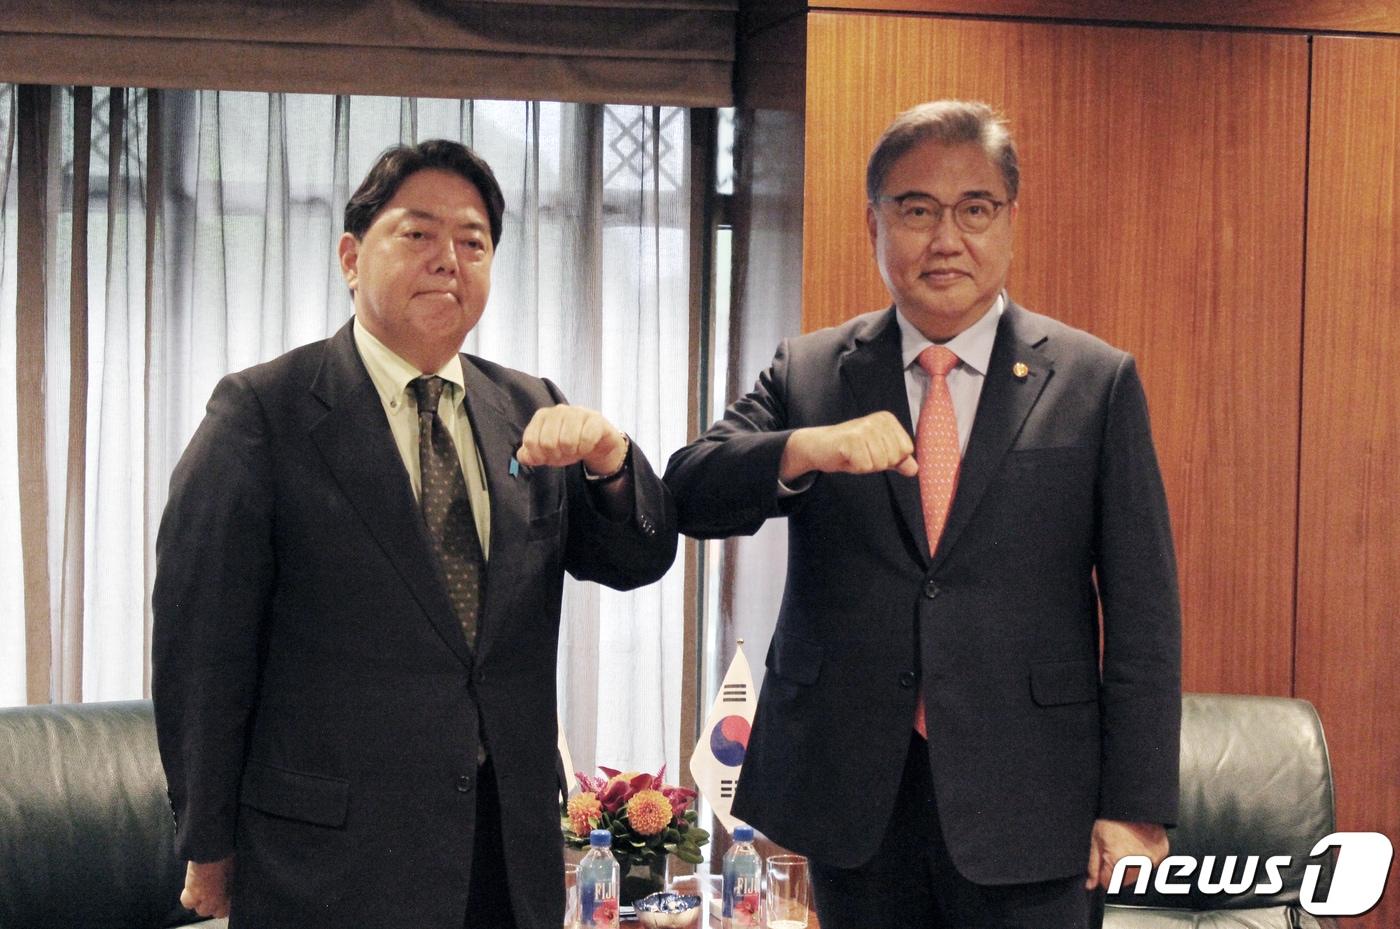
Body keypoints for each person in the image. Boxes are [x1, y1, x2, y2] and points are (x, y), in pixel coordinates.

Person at [664, 101, 1181, 928]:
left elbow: (1144, 609)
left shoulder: (1094, 381)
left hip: (1033, 796)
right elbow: (687, 489)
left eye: (974, 209)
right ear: (874, 223)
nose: (946, 239)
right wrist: (806, 448)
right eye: (916, 210)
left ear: (1010, 220)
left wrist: (1137, 805)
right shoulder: (813, 371)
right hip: (855, 793)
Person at [151, 139, 677, 929]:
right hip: (331, 864)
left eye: (473, 242)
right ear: (351, 257)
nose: (448, 260)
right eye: (418, 233)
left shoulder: (530, 407)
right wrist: (208, 840)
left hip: (506, 858)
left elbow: (639, 556)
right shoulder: (263, 413)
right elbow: (201, 648)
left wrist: (611, 461)